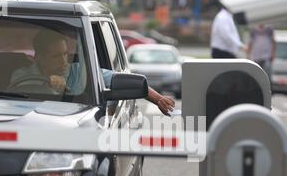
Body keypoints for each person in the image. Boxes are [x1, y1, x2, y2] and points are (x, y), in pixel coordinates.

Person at [10, 29, 175, 115]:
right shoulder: (21, 76)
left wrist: (159, 99)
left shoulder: (82, 72)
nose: (63, 60)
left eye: (65, 54)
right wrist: (52, 91)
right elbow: (13, 104)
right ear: (39, 57)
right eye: (56, 56)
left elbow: (126, 80)